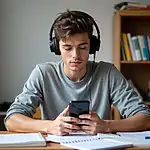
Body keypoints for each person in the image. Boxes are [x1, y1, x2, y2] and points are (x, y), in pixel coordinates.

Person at [5, 10, 150, 135]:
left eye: (83, 47)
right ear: (57, 48)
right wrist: (49, 126)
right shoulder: (43, 73)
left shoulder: (108, 73)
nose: (75, 55)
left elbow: (145, 117)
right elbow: (11, 119)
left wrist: (107, 126)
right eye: (68, 48)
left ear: (92, 47)